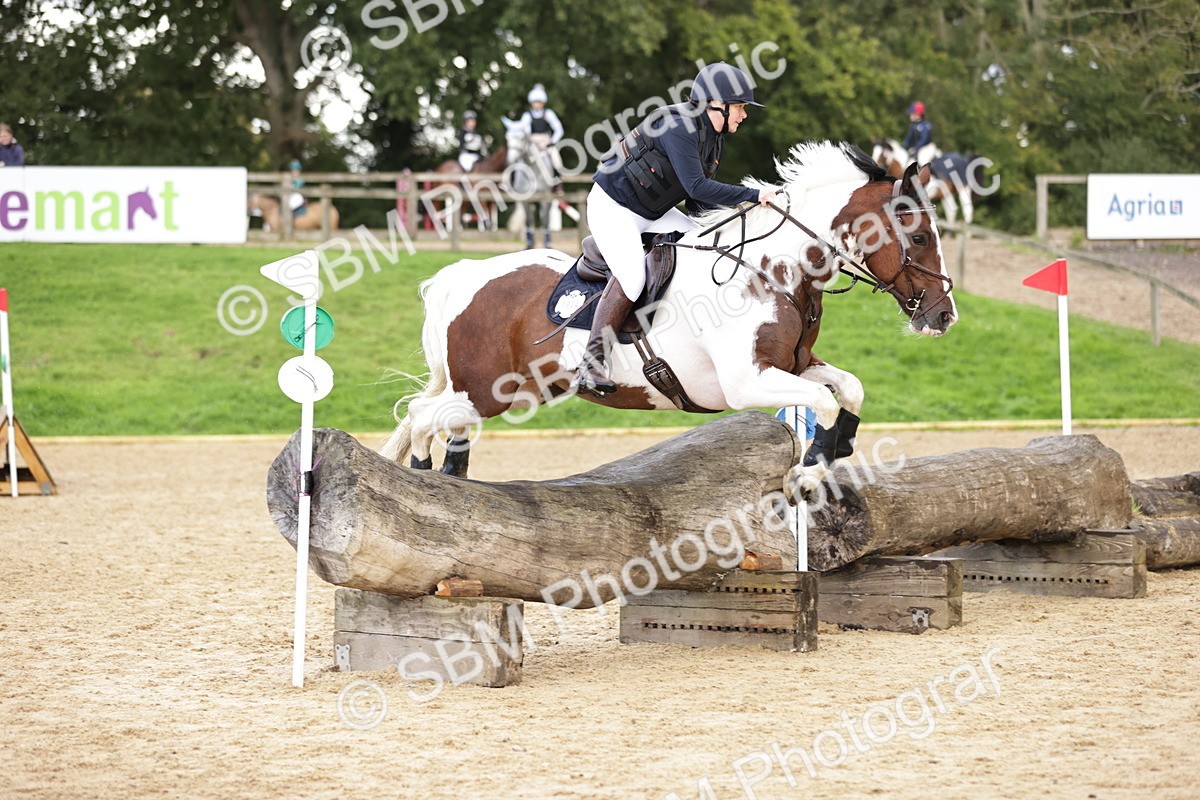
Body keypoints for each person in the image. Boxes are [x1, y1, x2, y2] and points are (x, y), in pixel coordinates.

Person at [575, 62, 776, 397]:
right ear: (716, 103)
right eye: (740, 106)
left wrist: (737, 225)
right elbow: (697, 187)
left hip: (653, 212)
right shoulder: (679, 126)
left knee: (704, 247)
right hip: (614, 206)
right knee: (633, 278)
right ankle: (590, 363)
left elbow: (697, 205)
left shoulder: (714, 140)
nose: (744, 115)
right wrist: (753, 195)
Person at [517, 84, 565, 193]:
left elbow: (559, 129)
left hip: (545, 141)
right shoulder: (527, 115)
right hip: (532, 142)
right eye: (535, 102)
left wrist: (552, 141)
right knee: (518, 157)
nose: (537, 104)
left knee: (556, 158)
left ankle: (557, 184)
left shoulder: (548, 114)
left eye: (539, 102)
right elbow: (523, 130)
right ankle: (512, 182)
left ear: (543, 103)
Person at [901, 101, 937, 166]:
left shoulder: (925, 125)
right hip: (918, 148)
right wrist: (902, 147)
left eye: (912, 113)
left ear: (918, 114)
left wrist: (916, 148)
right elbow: (908, 139)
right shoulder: (913, 125)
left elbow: (924, 140)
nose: (910, 115)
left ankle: (932, 172)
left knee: (922, 161)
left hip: (927, 148)